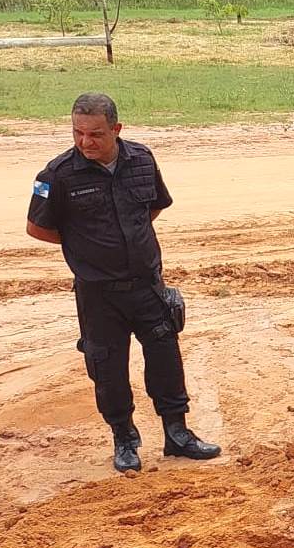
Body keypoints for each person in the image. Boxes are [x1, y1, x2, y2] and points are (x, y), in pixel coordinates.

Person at [26, 92, 220, 473]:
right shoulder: (57, 175)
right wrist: (86, 246)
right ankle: (125, 439)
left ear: (116, 129)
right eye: (78, 133)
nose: (85, 142)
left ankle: (177, 434)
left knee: (166, 360)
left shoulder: (142, 160)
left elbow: (154, 206)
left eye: (95, 134)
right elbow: (37, 227)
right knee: (108, 369)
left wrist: (127, 238)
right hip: (99, 295)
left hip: (147, 285)